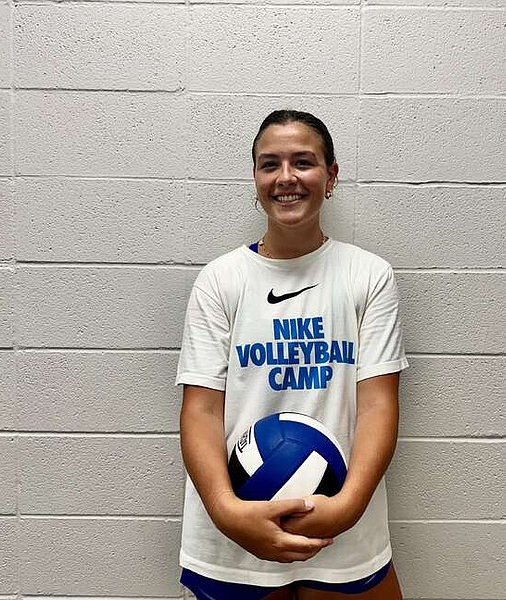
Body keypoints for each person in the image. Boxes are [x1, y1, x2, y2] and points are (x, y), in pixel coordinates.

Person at [176, 109, 408, 599]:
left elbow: (378, 404)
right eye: (269, 164)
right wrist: (225, 510)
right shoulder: (221, 280)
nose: (286, 178)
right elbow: (200, 409)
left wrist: (348, 506)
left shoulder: (368, 275)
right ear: (255, 178)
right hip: (239, 524)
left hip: (342, 518)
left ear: (331, 176)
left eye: (303, 162)